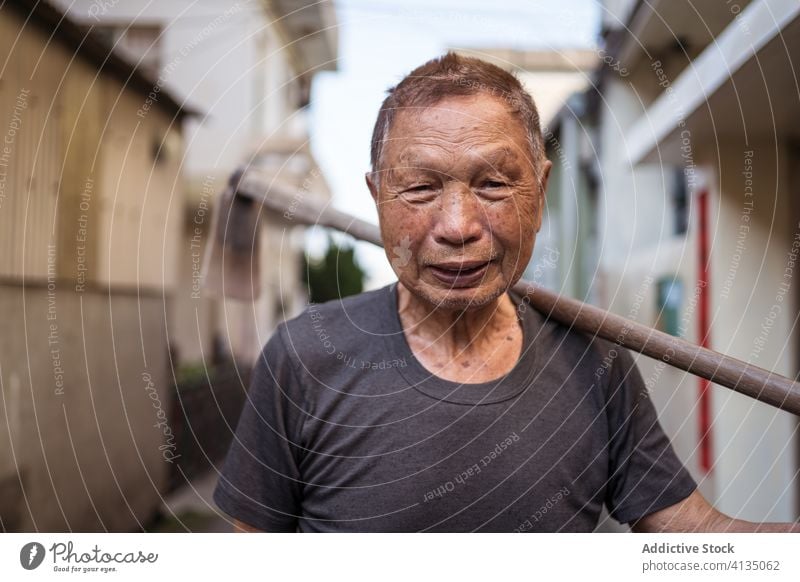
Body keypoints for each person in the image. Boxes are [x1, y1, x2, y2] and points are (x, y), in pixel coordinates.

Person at [213, 52, 800, 533]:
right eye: (419, 188)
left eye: (494, 184)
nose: (458, 224)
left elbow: (697, 538)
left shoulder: (594, 360)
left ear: (539, 193)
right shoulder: (305, 356)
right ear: (377, 197)